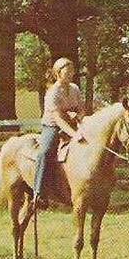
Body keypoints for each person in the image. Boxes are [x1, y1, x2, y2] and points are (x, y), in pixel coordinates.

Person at [33, 57, 86, 209]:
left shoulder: (75, 88)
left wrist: (79, 117)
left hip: (72, 125)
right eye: (67, 71)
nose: (71, 74)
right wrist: (74, 135)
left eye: (72, 71)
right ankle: (38, 193)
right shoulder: (52, 92)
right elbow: (57, 118)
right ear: (58, 73)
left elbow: (81, 108)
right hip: (53, 127)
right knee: (45, 152)